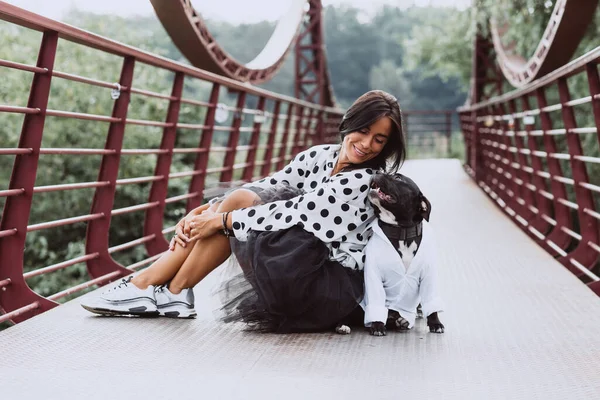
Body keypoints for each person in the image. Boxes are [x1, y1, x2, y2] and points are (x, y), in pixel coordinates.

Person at [80, 90, 406, 332]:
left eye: (379, 140)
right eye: (363, 131)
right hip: (297, 263)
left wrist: (219, 218)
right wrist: (204, 212)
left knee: (234, 212)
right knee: (236, 204)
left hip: (325, 288)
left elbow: (297, 210)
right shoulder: (319, 156)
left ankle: (155, 287)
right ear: (350, 122)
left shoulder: (365, 181)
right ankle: (168, 291)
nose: (366, 144)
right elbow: (266, 185)